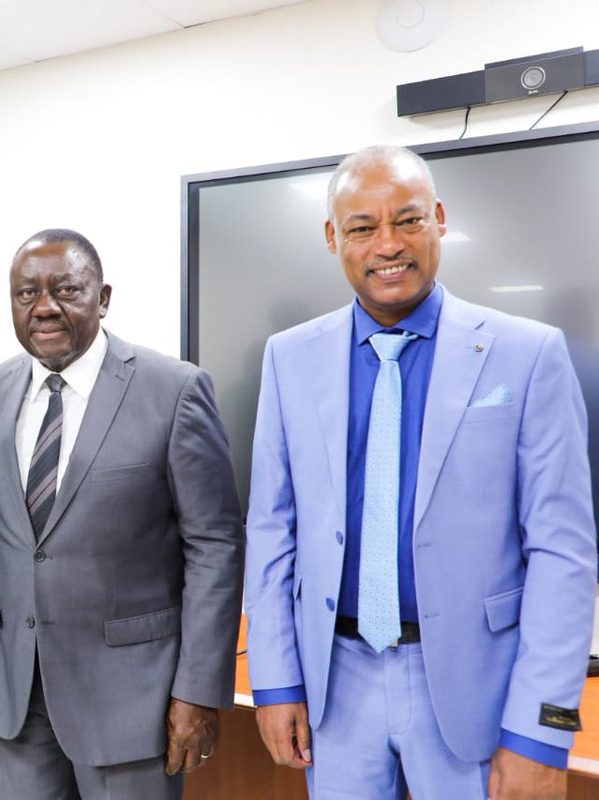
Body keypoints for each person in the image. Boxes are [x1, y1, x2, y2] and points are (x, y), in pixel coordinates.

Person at [245, 145, 597, 799]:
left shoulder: (529, 354)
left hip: (478, 690)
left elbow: (563, 555)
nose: (388, 245)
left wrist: (543, 730)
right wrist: (276, 681)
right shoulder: (288, 359)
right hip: (336, 684)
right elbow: (271, 529)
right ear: (332, 238)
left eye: (407, 220)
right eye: (362, 227)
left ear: (438, 218)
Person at [0, 229, 244, 800]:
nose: (44, 307)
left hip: (134, 700)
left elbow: (215, 546)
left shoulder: (175, 389)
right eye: (25, 294)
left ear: (103, 297)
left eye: (66, 289)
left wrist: (196, 691)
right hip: (19, 693)